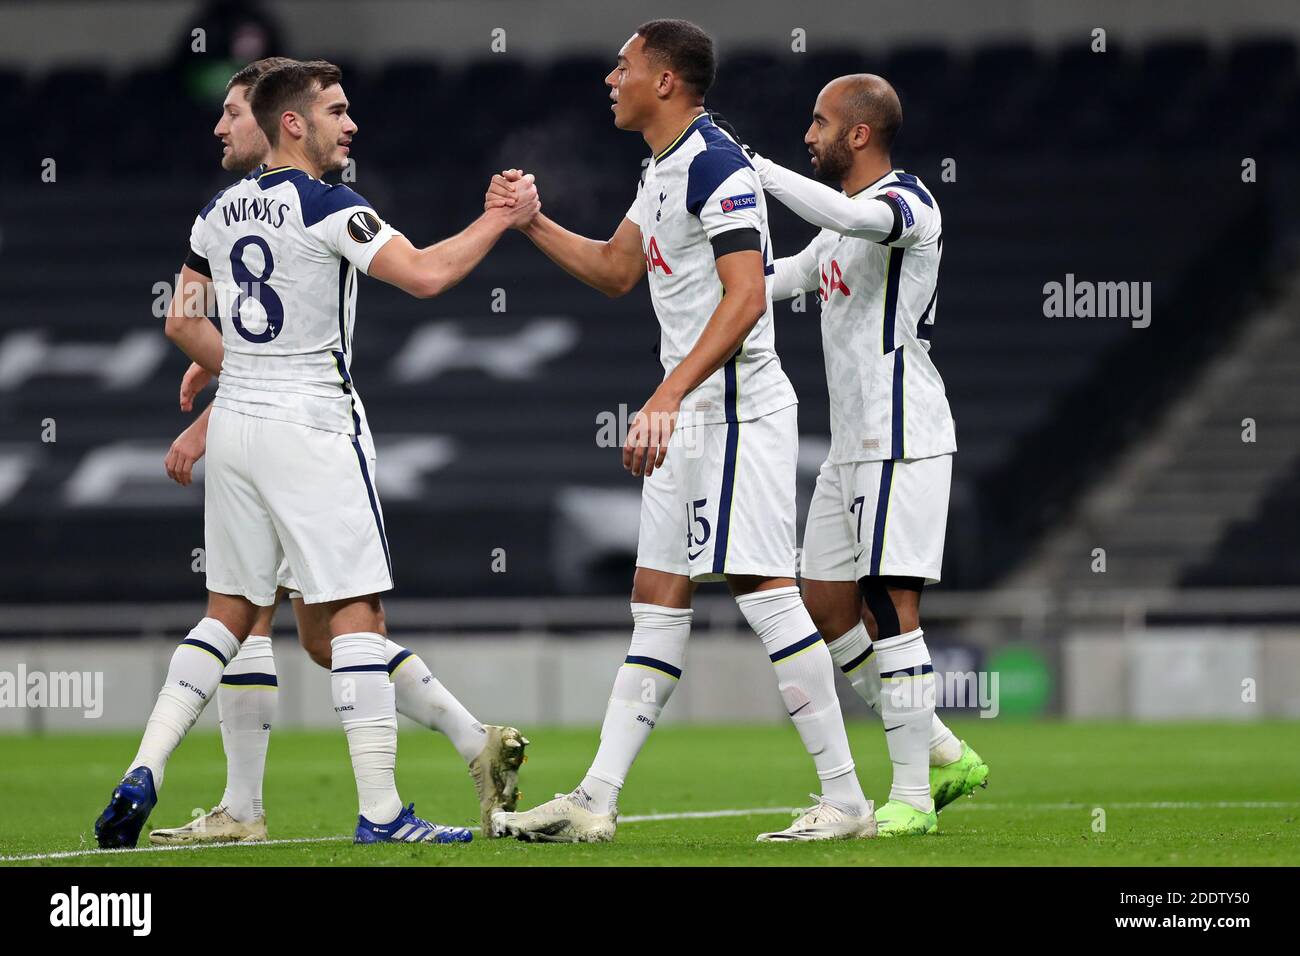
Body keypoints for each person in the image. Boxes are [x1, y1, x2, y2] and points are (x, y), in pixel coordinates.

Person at [94, 59, 539, 847]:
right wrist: (501, 218)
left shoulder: (216, 212)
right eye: (336, 110)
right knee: (357, 614)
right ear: (293, 123)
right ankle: (381, 814)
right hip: (311, 422)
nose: (351, 124)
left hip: (236, 431)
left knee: (230, 612)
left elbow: (185, 320)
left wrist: (236, 361)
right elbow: (429, 275)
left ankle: (148, 770)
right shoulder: (330, 204)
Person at [487, 20, 875, 843]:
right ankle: (595, 798)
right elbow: (617, 270)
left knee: (764, 592)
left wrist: (664, 397)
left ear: (665, 80)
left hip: (736, 411)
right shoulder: (661, 169)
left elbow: (745, 297)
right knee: (656, 603)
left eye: (623, 65)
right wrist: (532, 221)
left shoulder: (714, 163)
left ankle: (846, 800)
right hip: (694, 412)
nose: (610, 77)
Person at [747, 74, 989, 835]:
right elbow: (781, 278)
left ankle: (915, 797)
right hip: (850, 444)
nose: (809, 135)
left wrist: (756, 170)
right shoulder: (839, 229)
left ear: (859, 134)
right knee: (826, 607)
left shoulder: (908, 204)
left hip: (902, 435)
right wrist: (692, 279)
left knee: (892, 607)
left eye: (819, 123)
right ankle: (945, 745)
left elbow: (851, 216)